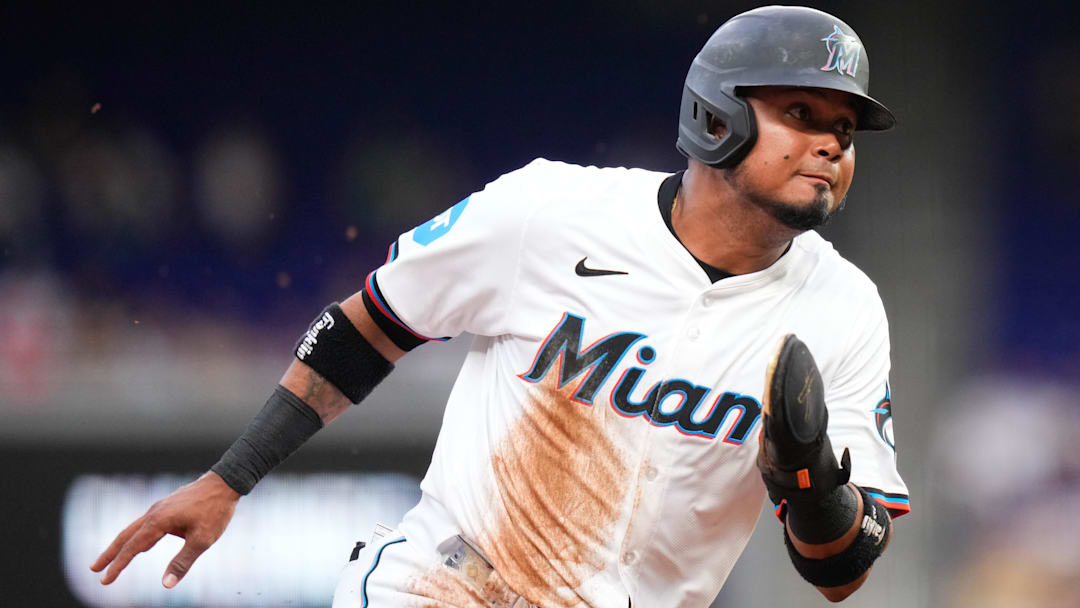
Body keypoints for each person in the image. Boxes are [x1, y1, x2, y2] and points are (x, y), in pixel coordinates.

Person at [91, 5, 910, 606]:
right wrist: (229, 479)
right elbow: (368, 327)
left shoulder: (843, 310)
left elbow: (841, 570)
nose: (832, 144)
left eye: (845, 128)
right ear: (717, 114)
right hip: (448, 585)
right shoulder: (549, 212)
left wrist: (810, 480)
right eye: (801, 114)